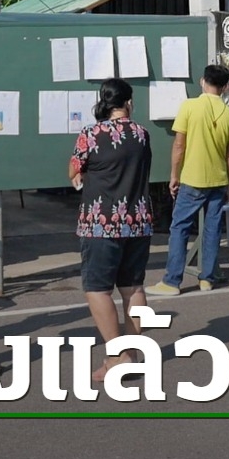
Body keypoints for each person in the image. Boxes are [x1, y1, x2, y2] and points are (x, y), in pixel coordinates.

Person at [69, 78, 156, 381]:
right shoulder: (142, 134)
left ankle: (117, 357)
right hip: (138, 220)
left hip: (100, 222)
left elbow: (74, 169)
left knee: (98, 289)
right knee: (133, 288)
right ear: (128, 102)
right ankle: (131, 353)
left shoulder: (91, 134)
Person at [147, 64, 229, 295]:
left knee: (180, 227)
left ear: (202, 81)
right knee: (212, 229)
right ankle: (207, 278)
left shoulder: (189, 106)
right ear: (226, 87)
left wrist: (174, 174)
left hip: (192, 178)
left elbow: (179, 145)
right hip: (218, 179)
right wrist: (228, 182)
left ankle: (172, 281)